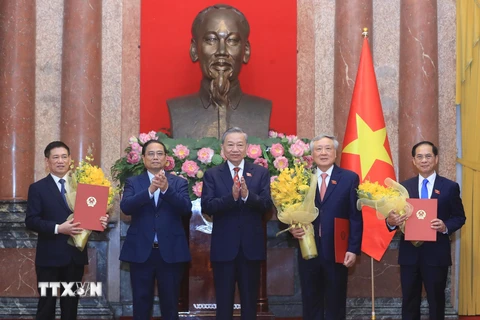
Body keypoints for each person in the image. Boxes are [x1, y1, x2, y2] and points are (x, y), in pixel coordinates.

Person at [25, 141, 109, 320]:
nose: (60, 161)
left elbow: (92, 219)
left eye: (64, 157)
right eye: (55, 157)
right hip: (49, 258)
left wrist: (101, 222)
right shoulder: (37, 188)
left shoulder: (82, 185)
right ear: (47, 161)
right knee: (46, 306)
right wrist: (58, 228)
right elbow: (31, 221)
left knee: (70, 307)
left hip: (74, 258)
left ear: (70, 159)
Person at [386, 141, 466, 320]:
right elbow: (391, 218)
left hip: (436, 254)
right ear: (413, 161)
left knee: (436, 301)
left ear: (436, 159)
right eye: (419, 157)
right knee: (409, 301)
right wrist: (391, 222)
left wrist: (445, 226)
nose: (424, 160)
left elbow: (459, 217)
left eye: (428, 156)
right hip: (409, 255)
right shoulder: (403, 188)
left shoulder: (450, 187)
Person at [167, 4, 271, 139]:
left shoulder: (261, 109)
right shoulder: (178, 109)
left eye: (232, 41)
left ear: (245, 51)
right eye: (211, 40)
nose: (222, 51)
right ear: (194, 50)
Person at [201, 127, 273, 320]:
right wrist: (231, 198)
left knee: (250, 303)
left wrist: (247, 196)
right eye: (230, 144)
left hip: (251, 248)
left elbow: (267, 206)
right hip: (224, 248)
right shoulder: (212, 175)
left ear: (247, 148)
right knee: (223, 303)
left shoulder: (260, 173)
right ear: (222, 148)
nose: (235, 149)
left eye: (239, 144)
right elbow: (207, 206)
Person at [290, 134, 363, 319]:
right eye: (318, 149)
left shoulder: (349, 178)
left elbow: (355, 217)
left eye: (328, 148)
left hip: (337, 250)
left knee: (335, 301)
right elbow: (290, 209)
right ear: (312, 154)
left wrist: (353, 249)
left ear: (336, 152)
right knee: (310, 300)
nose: (323, 153)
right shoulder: (301, 178)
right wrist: (292, 227)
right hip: (308, 249)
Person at [119, 139, 192, 320]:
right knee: (141, 303)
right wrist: (150, 190)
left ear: (166, 158)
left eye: (159, 153)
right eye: (150, 154)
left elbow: (185, 209)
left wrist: (166, 190)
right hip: (141, 251)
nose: (155, 157)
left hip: (171, 252)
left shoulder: (178, 183)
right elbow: (126, 207)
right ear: (143, 158)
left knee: (170, 304)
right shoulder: (133, 182)